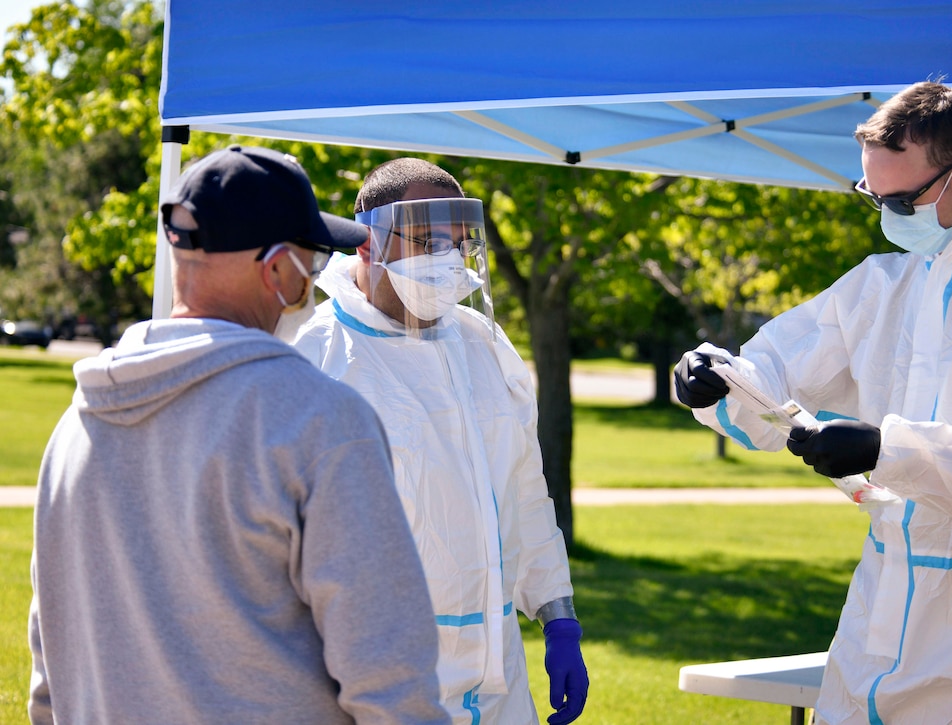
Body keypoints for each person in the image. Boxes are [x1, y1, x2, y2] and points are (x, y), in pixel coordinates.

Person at [674, 82, 952, 724]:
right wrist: (715, 377)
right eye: (876, 196)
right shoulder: (882, 284)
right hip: (879, 617)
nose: (889, 214)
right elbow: (779, 365)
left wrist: (884, 450)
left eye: (902, 199)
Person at [28, 145, 449, 725]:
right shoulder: (319, 423)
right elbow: (391, 682)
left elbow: (50, 676)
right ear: (278, 269)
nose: (320, 275)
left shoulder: (74, 428)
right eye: (313, 257)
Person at [292, 157, 589, 725]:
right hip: (382, 680)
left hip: (498, 673)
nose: (448, 262)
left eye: (457, 244)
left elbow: (524, 489)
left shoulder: (482, 342)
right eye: (427, 241)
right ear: (366, 244)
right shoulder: (320, 359)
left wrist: (558, 616)